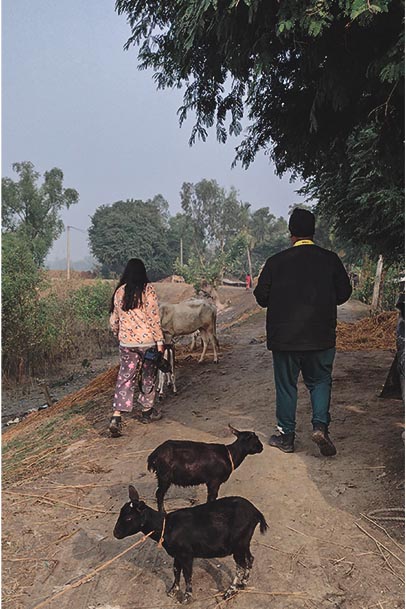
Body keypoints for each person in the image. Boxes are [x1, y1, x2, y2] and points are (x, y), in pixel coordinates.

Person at [253, 208, 352, 456]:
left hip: (284, 339)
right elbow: (344, 293)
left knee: (287, 385)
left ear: (291, 233)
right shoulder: (330, 260)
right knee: (320, 381)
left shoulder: (275, 262)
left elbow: (261, 297)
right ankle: (320, 426)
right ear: (313, 231)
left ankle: (286, 436)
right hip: (321, 336)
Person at [108, 258, 165, 437]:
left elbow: (114, 319)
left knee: (125, 377)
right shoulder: (148, 290)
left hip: (127, 344)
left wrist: (118, 333)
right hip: (147, 343)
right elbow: (154, 318)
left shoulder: (119, 292)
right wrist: (160, 341)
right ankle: (147, 410)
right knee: (148, 375)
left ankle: (117, 416)